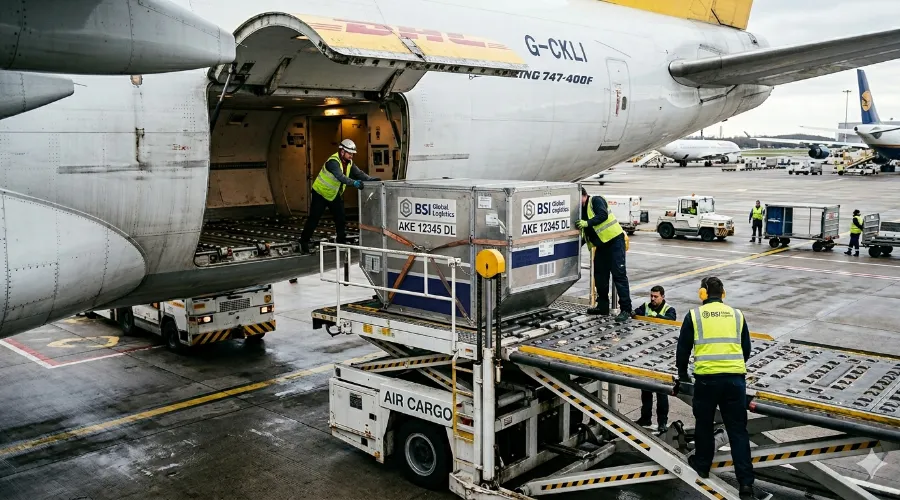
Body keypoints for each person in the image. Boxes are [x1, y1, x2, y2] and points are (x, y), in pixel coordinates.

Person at [676, 277, 755, 500]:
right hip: (735, 381)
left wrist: (683, 375)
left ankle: (702, 465)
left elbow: (683, 350)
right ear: (723, 294)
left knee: (704, 424)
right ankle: (746, 484)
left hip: (707, 380)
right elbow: (746, 349)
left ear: (702, 293)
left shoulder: (694, 315)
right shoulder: (737, 315)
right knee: (738, 432)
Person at [299, 139, 378, 254]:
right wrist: (354, 183)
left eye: (352, 154)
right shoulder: (333, 162)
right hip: (320, 193)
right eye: (349, 153)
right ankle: (303, 242)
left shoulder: (349, 162)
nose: (351, 156)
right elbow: (341, 177)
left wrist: (371, 180)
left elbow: (359, 173)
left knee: (340, 218)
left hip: (333, 194)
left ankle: (341, 241)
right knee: (314, 219)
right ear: (342, 152)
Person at [577, 187, 632, 322]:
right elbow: (586, 233)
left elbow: (603, 215)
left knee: (619, 275)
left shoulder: (595, 200)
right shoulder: (581, 211)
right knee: (600, 276)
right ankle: (603, 306)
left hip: (614, 242)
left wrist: (587, 223)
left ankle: (626, 309)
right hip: (601, 246)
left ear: (583, 195)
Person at [633, 285, 676, 431]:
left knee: (661, 392)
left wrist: (655, 318)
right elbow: (636, 312)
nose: (652, 299)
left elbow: (670, 320)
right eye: (651, 296)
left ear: (662, 297)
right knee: (646, 390)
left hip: (661, 356)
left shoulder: (669, 310)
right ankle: (645, 418)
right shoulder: (646, 306)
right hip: (646, 353)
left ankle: (662, 422)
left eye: (655, 296)